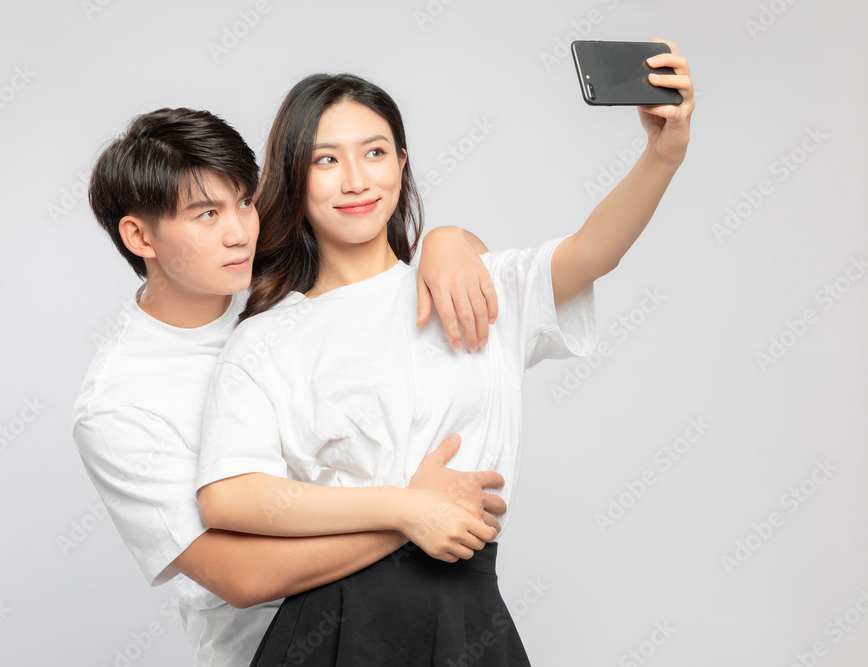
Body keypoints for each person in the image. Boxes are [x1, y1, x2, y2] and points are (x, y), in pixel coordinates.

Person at [196, 40, 694, 665]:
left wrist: (663, 154)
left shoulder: (471, 286)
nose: (355, 180)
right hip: (334, 626)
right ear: (294, 175)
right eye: (326, 160)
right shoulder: (267, 338)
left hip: (468, 613)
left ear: (401, 165)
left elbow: (594, 251)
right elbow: (228, 496)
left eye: (374, 153)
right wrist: (406, 507)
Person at [71, 107, 510, 666]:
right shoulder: (119, 405)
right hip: (278, 645)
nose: (239, 231)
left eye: (246, 201)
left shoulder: (277, 276)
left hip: (405, 614)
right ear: (139, 235)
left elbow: (393, 259)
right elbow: (241, 576)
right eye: (207, 213)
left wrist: (449, 241)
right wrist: (409, 511)